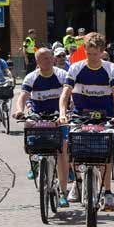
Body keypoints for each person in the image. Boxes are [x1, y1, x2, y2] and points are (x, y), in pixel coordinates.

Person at [58, 32, 114, 211]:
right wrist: (63, 113)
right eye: (88, 53)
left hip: (105, 116)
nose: (91, 57)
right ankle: (77, 183)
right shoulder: (76, 68)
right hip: (81, 115)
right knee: (70, 143)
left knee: (105, 151)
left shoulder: (111, 68)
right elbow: (65, 93)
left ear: (102, 52)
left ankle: (107, 193)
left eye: (95, 54)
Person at [13, 48, 70, 207]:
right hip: (38, 116)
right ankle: (34, 161)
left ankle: (63, 192)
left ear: (53, 59)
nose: (45, 61)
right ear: (37, 62)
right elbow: (22, 96)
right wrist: (19, 110)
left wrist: (66, 112)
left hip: (59, 116)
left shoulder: (61, 75)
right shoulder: (32, 77)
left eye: (48, 58)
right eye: (42, 59)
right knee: (28, 128)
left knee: (62, 151)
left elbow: (69, 93)